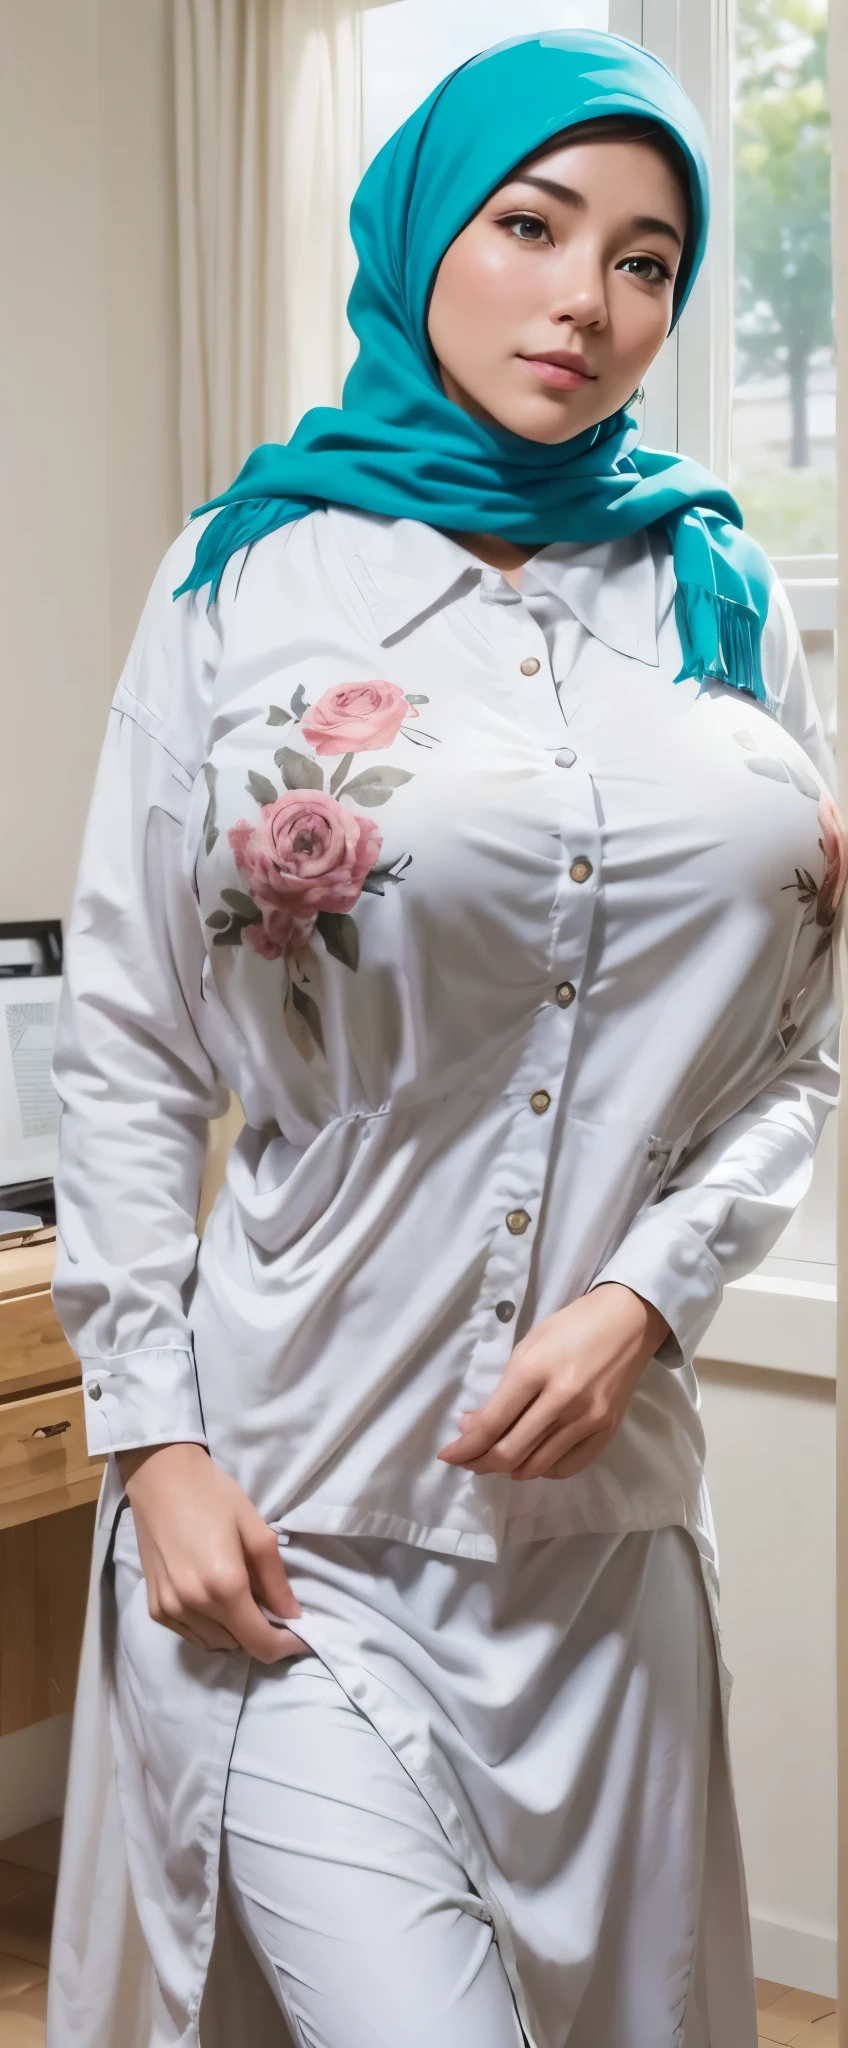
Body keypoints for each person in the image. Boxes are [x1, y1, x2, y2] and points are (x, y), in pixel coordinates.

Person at [47, 29, 844, 2048]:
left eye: (648, 260)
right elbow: (129, 1040)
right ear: (421, 238)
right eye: (532, 225)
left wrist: (649, 1295)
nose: (588, 299)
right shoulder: (243, 579)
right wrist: (151, 1440)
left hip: (604, 1548)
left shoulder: (714, 598)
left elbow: (796, 1045)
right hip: (291, 1526)